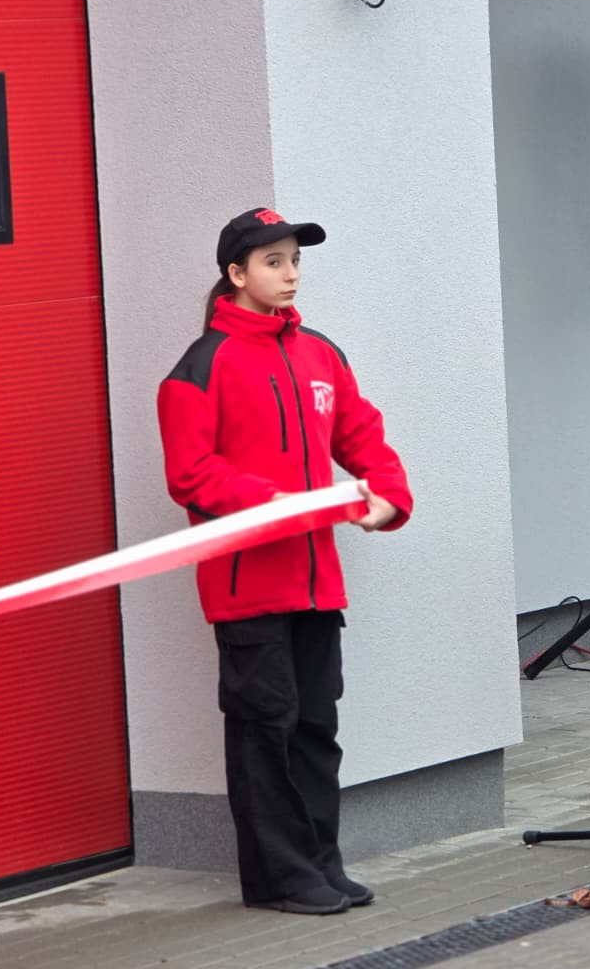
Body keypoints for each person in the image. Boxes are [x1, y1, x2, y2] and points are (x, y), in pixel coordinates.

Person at [157, 207, 413, 916]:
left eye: (295, 259)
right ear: (237, 275)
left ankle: (320, 865)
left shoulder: (321, 354)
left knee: (315, 730)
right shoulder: (198, 368)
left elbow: (361, 434)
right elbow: (192, 476)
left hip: (316, 585)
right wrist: (278, 503)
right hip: (248, 590)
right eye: (274, 262)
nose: (291, 273)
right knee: (263, 733)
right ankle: (279, 877)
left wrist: (388, 496)